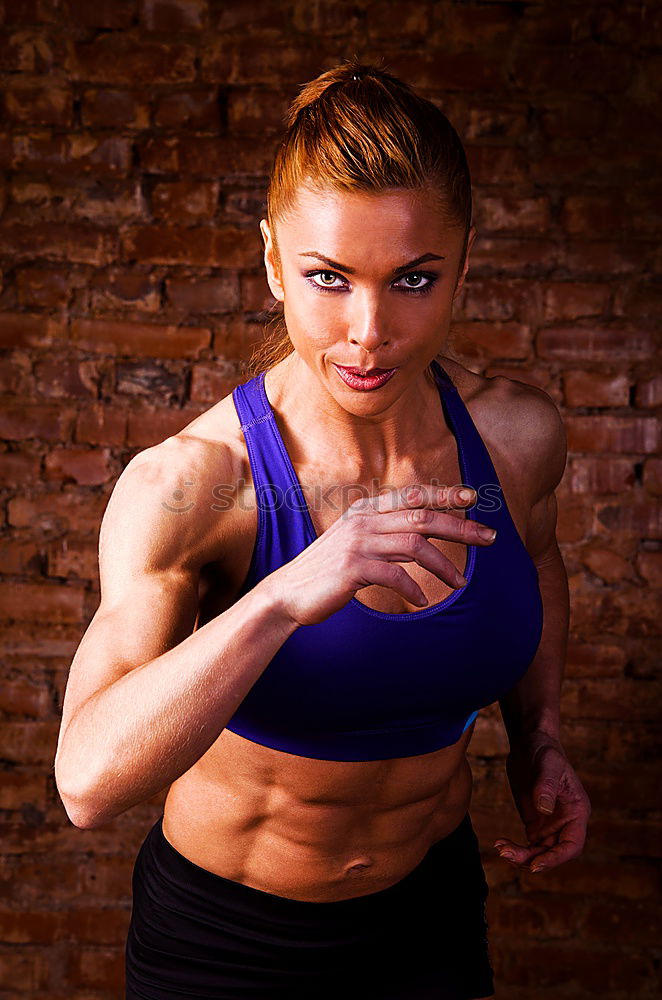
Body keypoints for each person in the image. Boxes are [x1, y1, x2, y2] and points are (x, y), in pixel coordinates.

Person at [54, 59, 591, 1000]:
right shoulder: (198, 483)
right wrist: (280, 596)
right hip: (227, 947)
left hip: (429, 921)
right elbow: (88, 782)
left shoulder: (515, 439)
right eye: (328, 278)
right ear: (272, 264)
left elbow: (537, 564)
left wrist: (540, 738)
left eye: (414, 278)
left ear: (465, 265)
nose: (369, 330)